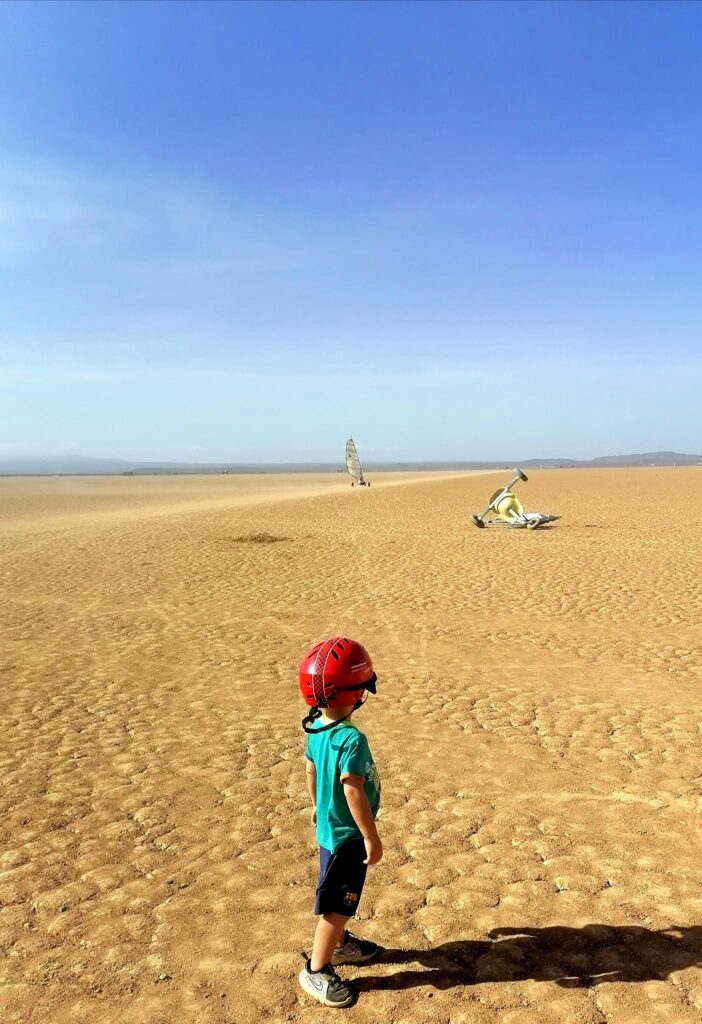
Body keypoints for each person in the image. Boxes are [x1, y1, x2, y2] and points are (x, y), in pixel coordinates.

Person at [298, 637, 382, 1008]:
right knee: (337, 906)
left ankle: (340, 943)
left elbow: (311, 767)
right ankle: (316, 971)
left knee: (334, 895)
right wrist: (370, 836)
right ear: (355, 693)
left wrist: (316, 803)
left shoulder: (316, 725)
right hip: (347, 836)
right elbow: (353, 791)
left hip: (329, 830)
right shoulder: (352, 739)